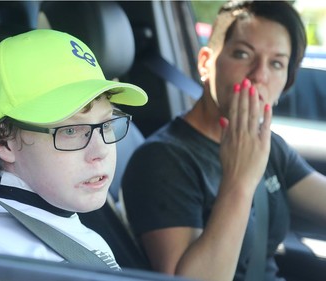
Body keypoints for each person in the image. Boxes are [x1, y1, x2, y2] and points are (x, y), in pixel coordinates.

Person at [122, 1, 326, 281]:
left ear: (286, 83)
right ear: (206, 63)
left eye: (277, 64)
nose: (259, 75)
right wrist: (240, 180)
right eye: (242, 54)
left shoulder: (268, 146)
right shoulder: (162, 159)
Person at [0, 29, 148, 269]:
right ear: (3, 141)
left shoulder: (83, 235)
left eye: (106, 125)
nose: (100, 151)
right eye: (70, 131)